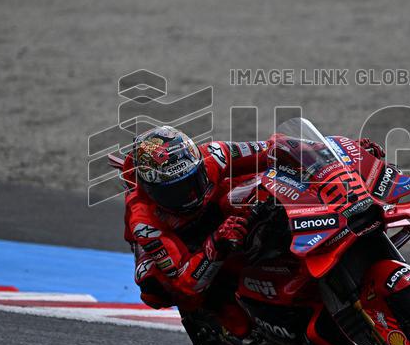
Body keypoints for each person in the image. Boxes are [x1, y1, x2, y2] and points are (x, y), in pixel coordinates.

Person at [121, 126, 386, 322]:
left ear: (198, 165)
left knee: (269, 177)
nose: (189, 195)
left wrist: (339, 154)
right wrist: (215, 245)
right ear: (151, 190)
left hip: (229, 214)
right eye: (175, 192)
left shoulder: (215, 155)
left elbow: (275, 148)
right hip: (187, 245)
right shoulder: (143, 221)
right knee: (154, 287)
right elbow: (185, 283)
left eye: (192, 181)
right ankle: (228, 321)